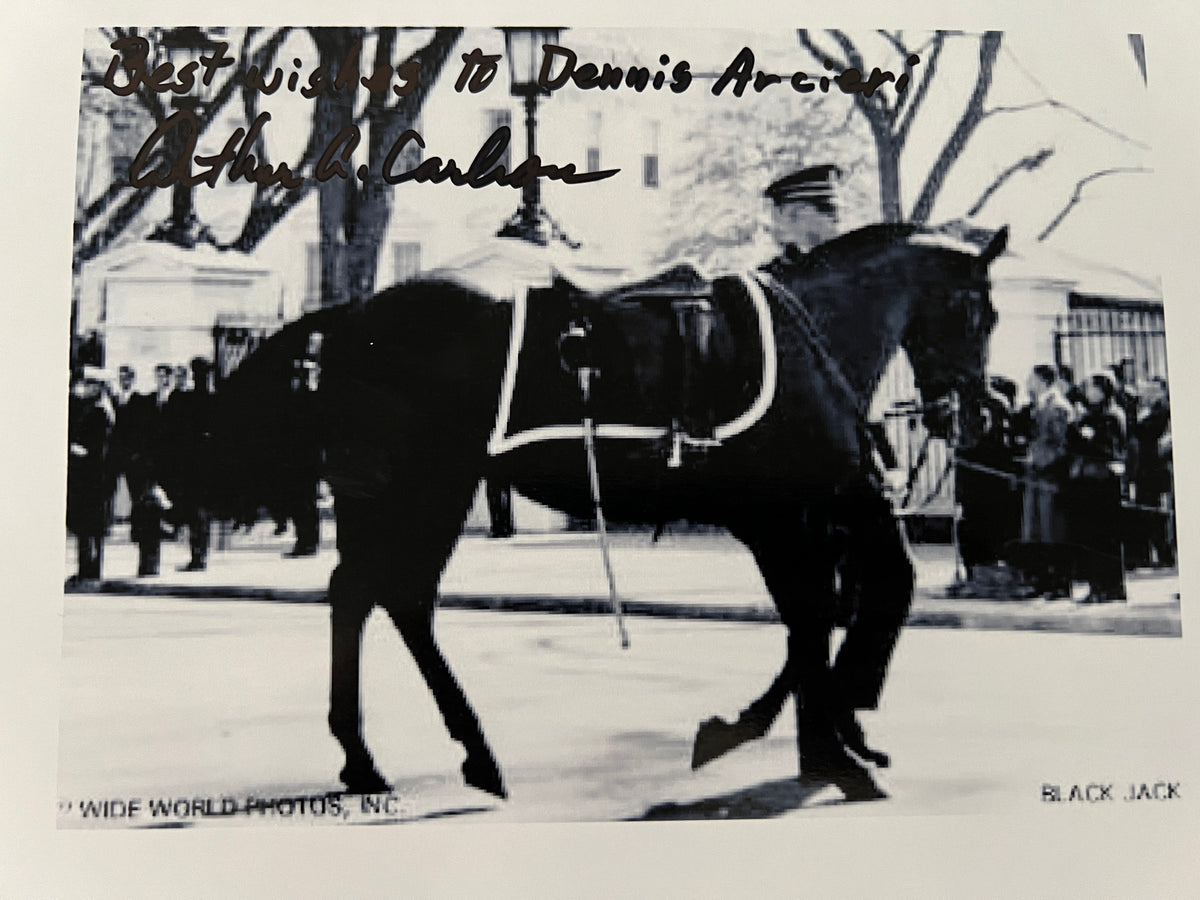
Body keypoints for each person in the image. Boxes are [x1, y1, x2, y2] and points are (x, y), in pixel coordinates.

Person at [1064, 373, 1126, 602]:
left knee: (1104, 537)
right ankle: (1097, 585)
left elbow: (1108, 449)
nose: (1087, 392)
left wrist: (1084, 437)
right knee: (1090, 537)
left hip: (1102, 482)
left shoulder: (1110, 416)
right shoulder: (1089, 415)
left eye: (1090, 388)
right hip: (1087, 482)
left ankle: (1110, 587)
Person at [1019, 364, 1073, 595]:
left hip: (1049, 476)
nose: (1027, 382)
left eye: (1031, 378)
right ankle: (1041, 581)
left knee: (1052, 530)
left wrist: (1041, 460)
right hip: (1035, 476)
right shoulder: (1038, 405)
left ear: (1041, 379)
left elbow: (1061, 444)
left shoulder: (1058, 407)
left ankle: (1059, 582)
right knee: (1036, 531)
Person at [118, 362, 174, 576]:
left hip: (162, 466)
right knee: (145, 512)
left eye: (166, 376)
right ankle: (147, 562)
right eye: (159, 376)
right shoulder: (147, 401)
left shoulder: (175, 399)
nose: (163, 380)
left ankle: (151, 562)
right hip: (145, 467)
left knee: (154, 513)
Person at [66, 367, 116, 583]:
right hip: (91, 475)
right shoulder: (96, 408)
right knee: (89, 525)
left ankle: (89, 569)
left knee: (90, 524)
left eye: (90, 384)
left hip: (92, 475)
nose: (85, 388)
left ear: (98, 387)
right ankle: (88, 567)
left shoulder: (99, 411)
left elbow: (96, 446)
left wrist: (78, 449)